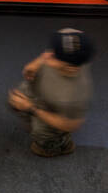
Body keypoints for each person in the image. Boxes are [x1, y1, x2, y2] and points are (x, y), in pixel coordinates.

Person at [7, 28, 94, 157]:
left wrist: (31, 108)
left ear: (69, 66)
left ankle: (59, 146)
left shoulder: (75, 96)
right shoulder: (64, 50)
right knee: (15, 103)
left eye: (54, 55)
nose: (47, 54)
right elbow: (29, 70)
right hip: (39, 91)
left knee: (42, 134)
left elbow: (70, 125)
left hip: (53, 109)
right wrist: (37, 64)